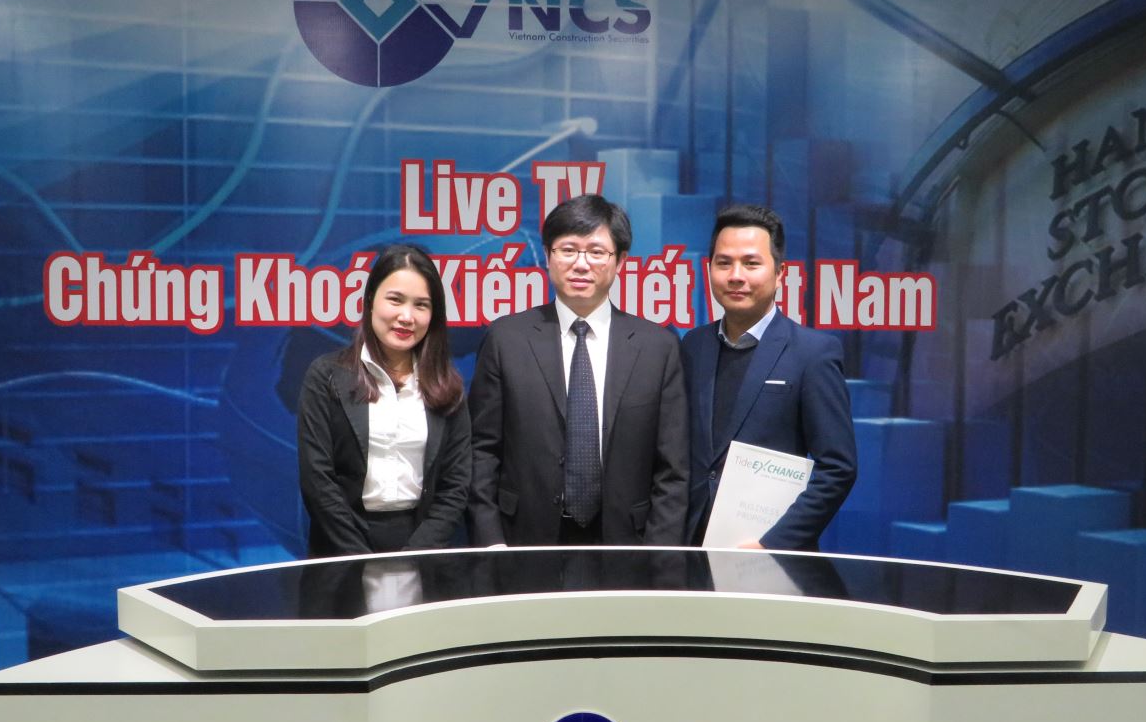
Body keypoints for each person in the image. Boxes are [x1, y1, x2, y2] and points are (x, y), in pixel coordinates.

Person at [469, 194, 688, 548]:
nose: (581, 264)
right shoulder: (505, 339)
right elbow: (482, 452)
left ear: (620, 261)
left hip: (628, 544)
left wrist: (656, 553)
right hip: (523, 541)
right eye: (568, 250)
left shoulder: (658, 347)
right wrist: (492, 542)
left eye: (597, 252)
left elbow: (672, 470)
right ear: (547, 256)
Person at [681, 204, 856, 549]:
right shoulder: (693, 345)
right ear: (709, 269)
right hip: (689, 547)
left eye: (751, 263)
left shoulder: (813, 353)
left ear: (779, 273)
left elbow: (838, 468)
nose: (736, 275)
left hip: (766, 554)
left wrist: (773, 543)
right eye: (724, 262)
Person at [294, 244, 471, 562]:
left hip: (422, 551)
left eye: (421, 305)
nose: (407, 317)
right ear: (370, 301)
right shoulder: (326, 376)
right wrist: (361, 562)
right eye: (395, 300)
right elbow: (318, 480)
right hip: (341, 551)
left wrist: (413, 559)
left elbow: (455, 486)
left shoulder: (447, 386)